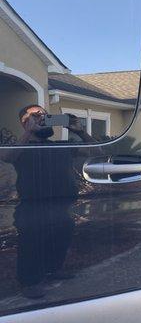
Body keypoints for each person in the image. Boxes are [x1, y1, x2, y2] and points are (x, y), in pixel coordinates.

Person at [0, 105, 97, 299]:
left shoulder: (62, 145)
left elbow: (96, 150)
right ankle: (30, 282)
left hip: (63, 203)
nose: (43, 117)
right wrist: (28, 132)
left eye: (45, 115)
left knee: (61, 238)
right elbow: (7, 157)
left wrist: (79, 131)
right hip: (33, 204)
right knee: (31, 244)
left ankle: (53, 270)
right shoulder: (21, 147)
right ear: (25, 121)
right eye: (36, 115)